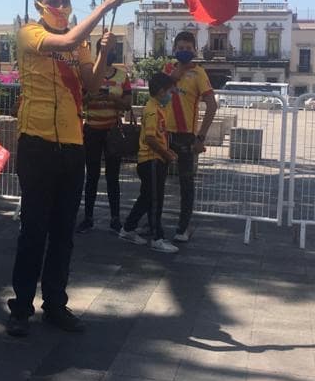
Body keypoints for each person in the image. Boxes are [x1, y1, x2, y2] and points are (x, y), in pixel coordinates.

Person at [5, 0, 123, 338]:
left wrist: (103, 52)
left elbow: (91, 84)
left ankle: (55, 304)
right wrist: (104, 6)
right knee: (33, 230)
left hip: (73, 143)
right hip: (36, 143)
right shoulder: (29, 33)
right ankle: (21, 307)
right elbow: (67, 40)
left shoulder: (80, 43)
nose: (61, 5)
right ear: (40, 3)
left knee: (63, 233)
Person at [161, 32, 218, 243]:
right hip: (163, 134)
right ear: (174, 48)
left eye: (188, 48)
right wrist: (180, 69)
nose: (184, 51)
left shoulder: (199, 73)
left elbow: (212, 105)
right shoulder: (167, 69)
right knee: (155, 181)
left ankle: (182, 227)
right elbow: (160, 90)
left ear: (194, 50)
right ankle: (152, 222)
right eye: (180, 47)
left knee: (186, 183)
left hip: (185, 136)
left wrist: (200, 137)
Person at [77, 43, 132, 234]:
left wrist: (113, 99)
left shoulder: (122, 75)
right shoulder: (90, 75)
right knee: (91, 176)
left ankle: (115, 218)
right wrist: (90, 98)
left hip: (112, 132)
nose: (108, 53)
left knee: (112, 177)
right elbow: (79, 101)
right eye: (104, 49)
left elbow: (127, 104)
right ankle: (88, 217)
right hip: (91, 130)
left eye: (111, 50)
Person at [120, 73, 179, 253]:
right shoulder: (153, 110)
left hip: (154, 159)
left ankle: (128, 228)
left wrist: (167, 151)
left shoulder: (158, 107)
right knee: (155, 200)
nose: (172, 94)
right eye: (170, 91)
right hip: (151, 160)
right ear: (162, 91)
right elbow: (151, 138)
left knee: (146, 198)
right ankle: (157, 237)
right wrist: (166, 154)